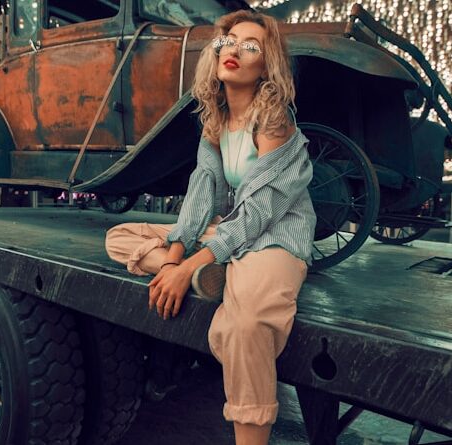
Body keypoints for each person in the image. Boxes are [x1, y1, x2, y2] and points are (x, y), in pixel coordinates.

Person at [105, 10, 316, 445]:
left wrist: (191, 265)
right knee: (119, 237)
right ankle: (210, 274)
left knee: (246, 325)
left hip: (275, 237)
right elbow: (201, 196)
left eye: (251, 46)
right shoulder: (215, 122)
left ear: (267, 64)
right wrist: (175, 260)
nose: (234, 50)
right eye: (228, 41)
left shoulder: (275, 120)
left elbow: (259, 212)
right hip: (231, 230)